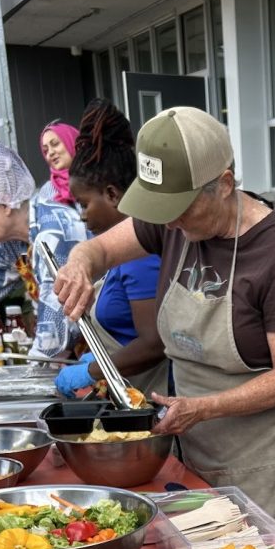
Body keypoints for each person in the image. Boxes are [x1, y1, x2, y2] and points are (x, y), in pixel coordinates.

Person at [54, 107, 275, 531]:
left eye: (181, 207)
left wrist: (205, 408)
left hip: (258, 448)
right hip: (190, 432)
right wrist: (78, 264)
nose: (170, 221)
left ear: (225, 185)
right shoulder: (170, 221)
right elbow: (99, 250)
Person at [0, 126, 90, 358]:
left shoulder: (53, 232)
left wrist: (30, 379)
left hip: (113, 348)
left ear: (6, 202)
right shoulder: (12, 242)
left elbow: (55, 331)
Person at [54, 100, 167, 398]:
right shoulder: (116, 253)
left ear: (112, 194)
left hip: (149, 398)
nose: (81, 214)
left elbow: (154, 344)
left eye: (84, 203)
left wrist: (93, 370)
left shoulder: (140, 258)